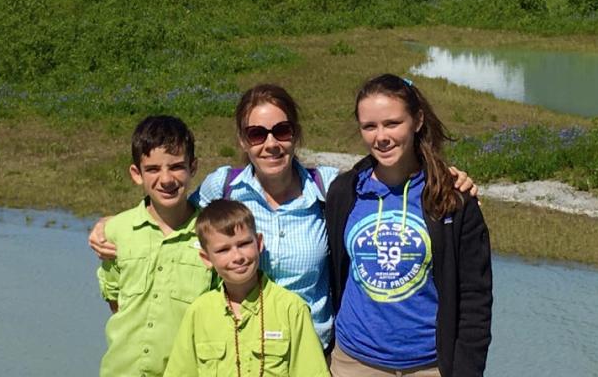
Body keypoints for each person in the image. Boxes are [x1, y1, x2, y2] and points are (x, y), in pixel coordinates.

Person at [90, 84, 477, 351]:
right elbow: (170, 206)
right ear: (243, 140)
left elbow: (389, 178)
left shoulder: (330, 188)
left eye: (281, 130)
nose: (270, 143)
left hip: (315, 350)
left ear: (295, 134)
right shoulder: (220, 188)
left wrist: (443, 175)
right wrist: (112, 225)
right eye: (257, 133)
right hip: (240, 351)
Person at [326, 75, 492, 377]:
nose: (381, 137)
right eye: (369, 126)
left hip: (429, 366)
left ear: (417, 121)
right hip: (354, 363)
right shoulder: (344, 192)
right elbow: (334, 273)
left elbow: (475, 302)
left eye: (392, 123)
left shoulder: (453, 199)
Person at [96, 115, 214, 377]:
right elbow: (114, 301)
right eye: (153, 169)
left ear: (193, 167)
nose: (166, 179)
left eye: (176, 167)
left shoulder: (211, 235)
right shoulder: (116, 232)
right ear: (136, 174)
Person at [163, 199, 329, 377]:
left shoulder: (291, 309)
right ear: (206, 258)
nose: (237, 257)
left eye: (243, 244)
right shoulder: (198, 313)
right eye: (223, 250)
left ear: (258, 243)